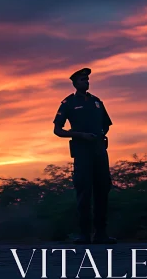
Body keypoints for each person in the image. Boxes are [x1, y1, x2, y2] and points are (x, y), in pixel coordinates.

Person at [53, 68, 116, 244]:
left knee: (102, 190)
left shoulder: (97, 102)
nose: (86, 82)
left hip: (99, 151)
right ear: (74, 83)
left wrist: (99, 135)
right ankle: (84, 234)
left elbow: (106, 124)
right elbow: (57, 130)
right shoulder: (68, 103)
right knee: (84, 192)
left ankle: (101, 234)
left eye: (87, 79)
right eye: (82, 80)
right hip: (82, 152)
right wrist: (80, 135)